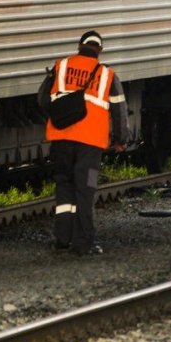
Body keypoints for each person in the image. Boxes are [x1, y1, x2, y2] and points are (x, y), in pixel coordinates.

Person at [38, 30, 127, 255]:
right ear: (100, 51)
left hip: (61, 139)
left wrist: (57, 117)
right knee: (85, 190)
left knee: (64, 187)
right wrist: (120, 140)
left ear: (79, 46)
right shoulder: (107, 75)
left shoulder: (61, 66)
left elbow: (41, 99)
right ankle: (82, 243)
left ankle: (62, 239)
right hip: (91, 143)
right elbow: (119, 111)